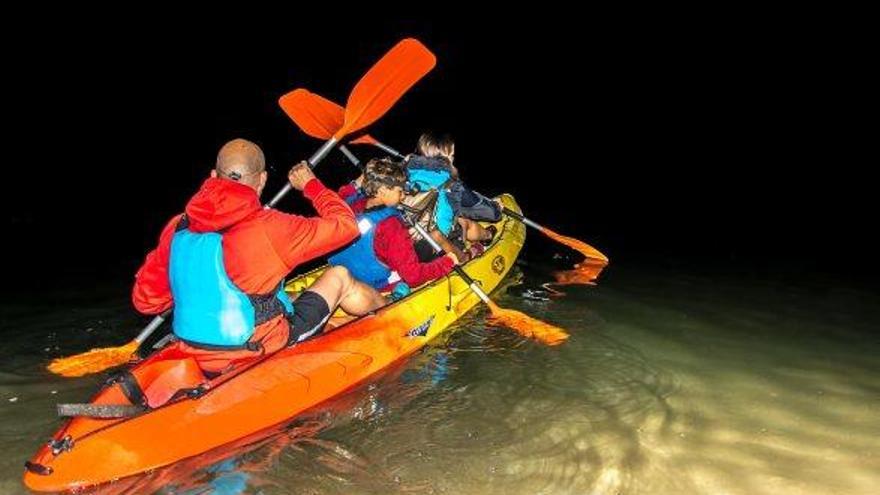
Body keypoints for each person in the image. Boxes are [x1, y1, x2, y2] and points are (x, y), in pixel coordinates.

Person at [132, 138, 386, 374]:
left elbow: (146, 302)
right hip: (253, 348)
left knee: (280, 293)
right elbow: (347, 225)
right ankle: (391, 313)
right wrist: (311, 185)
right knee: (339, 276)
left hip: (192, 345)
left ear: (212, 176)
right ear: (262, 180)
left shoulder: (179, 226)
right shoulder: (272, 227)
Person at [329, 158, 456, 299]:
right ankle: (394, 297)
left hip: (344, 273)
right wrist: (446, 263)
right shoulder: (391, 226)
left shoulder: (352, 205)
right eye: (400, 191)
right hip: (377, 285)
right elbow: (413, 276)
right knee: (418, 264)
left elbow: (341, 196)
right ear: (382, 191)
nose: (403, 196)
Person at [403, 133, 502, 262]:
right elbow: (491, 214)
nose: (453, 158)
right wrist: (496, 208)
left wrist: (406, 162)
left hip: (407, 235)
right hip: (432, 244)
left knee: (457, 214)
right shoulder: (451, 185)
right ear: (447, 156)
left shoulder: (404, 172)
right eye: (452, 155)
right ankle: (486, 237)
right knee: (464, 221)